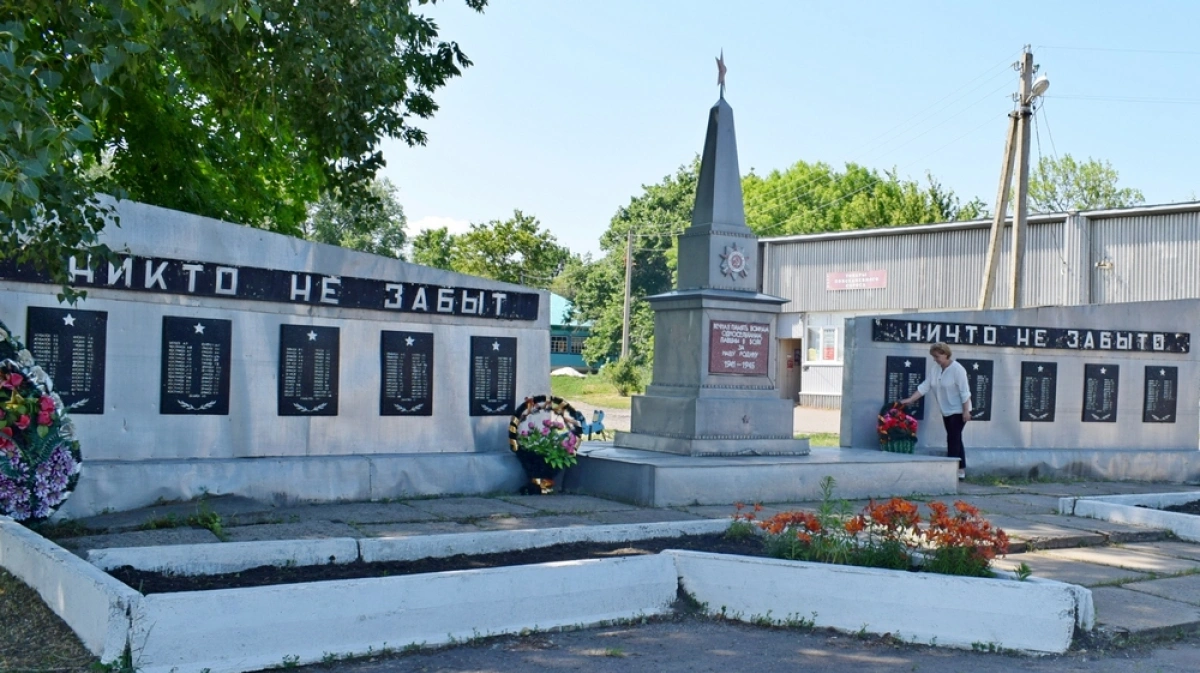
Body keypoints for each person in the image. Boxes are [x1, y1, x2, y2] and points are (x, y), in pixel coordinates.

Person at [899, 342, 971, 479]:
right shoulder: (936, 368)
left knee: (952, 439)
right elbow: (925, 386)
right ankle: (961, 469)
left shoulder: (958, 370)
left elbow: (965, 392)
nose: (935, 359)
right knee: (955, 437)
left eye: (937, 356)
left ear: (946, 354)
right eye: (934, 357)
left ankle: (951, 471)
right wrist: (910, 399)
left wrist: (966, 411)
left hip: (959, 410)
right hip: (946, 409)